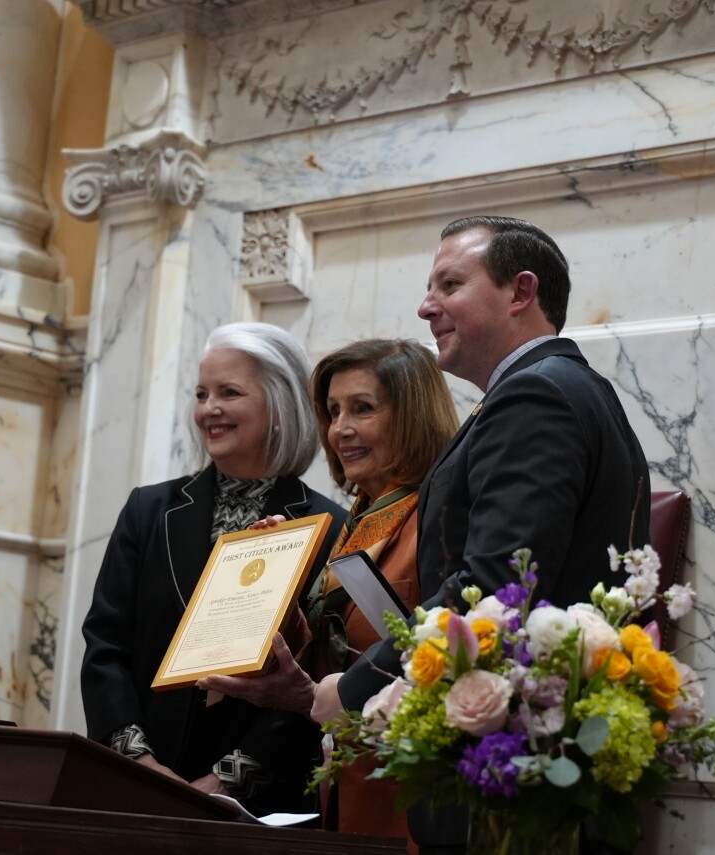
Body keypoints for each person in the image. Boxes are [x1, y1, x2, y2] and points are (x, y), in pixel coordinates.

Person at [315, 216, 652, 852]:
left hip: (511, 780)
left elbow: (497, 586)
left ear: (520, 292)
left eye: (449, 284)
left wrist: (355, 689)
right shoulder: (566, 386)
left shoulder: (535, 397)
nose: (425, 306)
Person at [80, 322, 346, 815]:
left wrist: (223, 783)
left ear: (280, 403)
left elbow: (317, 678)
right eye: (202, 393)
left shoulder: (331, 527)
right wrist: (137, 761)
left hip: (257, 809)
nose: (209, 409)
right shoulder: (149, 511)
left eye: (229, 392)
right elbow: (105, 648)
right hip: (133, 793)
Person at [202, 339, 458, 844]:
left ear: (411, 416)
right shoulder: (361, 515)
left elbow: (437, 653)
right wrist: (281, 594)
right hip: (343, 786)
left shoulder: (440, 513)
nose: (339, 429)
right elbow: (326, 655)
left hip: (411, 800)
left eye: (361, 409)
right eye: (334, 410)